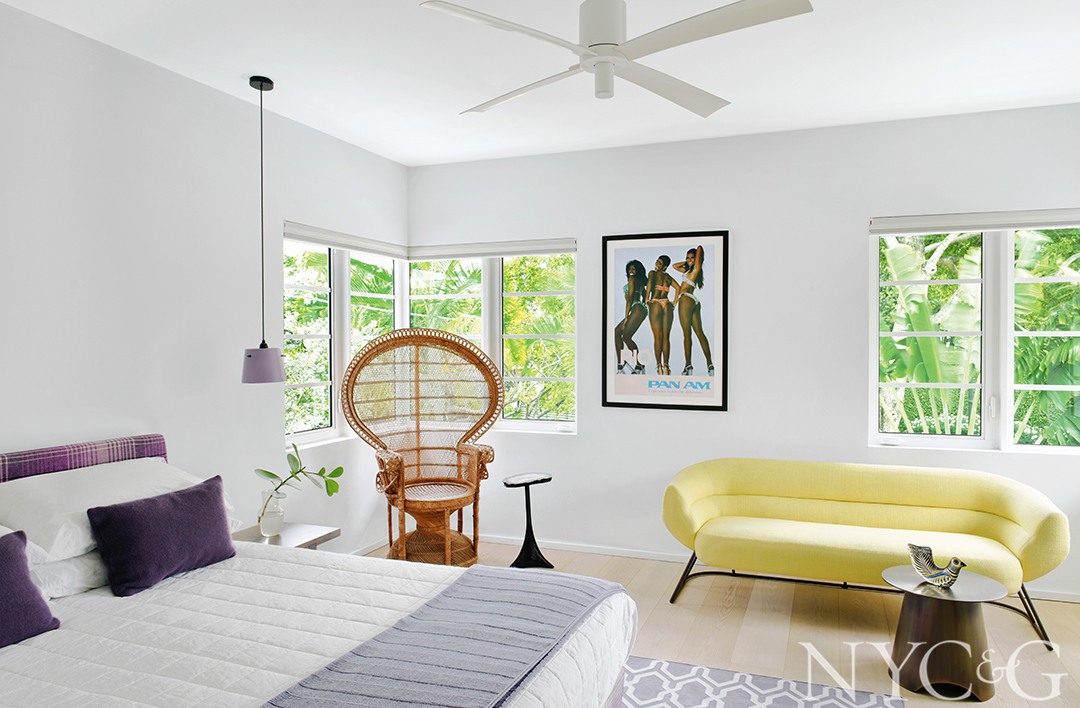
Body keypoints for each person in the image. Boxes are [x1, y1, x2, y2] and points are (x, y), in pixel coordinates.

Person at [672, 245, 713, 376]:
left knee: (687, 334)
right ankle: (710, 365)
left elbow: (700, 247)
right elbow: (674, 266)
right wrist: (688, 263)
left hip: (685, 299)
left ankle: (688, 365)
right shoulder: (690, 271)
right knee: (700, 333)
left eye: (692, 257)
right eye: (687, 257)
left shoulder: (696, 269)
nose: (689, 259)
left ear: (697, 259)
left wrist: (696, 260)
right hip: (694, 301)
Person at [614, 259, 648, 374]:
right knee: (617, 332)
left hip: (636, 308)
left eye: (634, 269)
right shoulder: (639, 282)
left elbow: (629, 300)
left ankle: (639, 364)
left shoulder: (633, 279)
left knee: (626, 337)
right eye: (629, 269)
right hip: (638, 308)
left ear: (638, 271)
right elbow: (644, 296)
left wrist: (626, 318)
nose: (631, 271)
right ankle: (621, 363)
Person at [646, 255, 676, 375]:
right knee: (666, 337)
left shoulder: (652, 273)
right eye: (657, 261)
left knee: (657, 337)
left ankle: (659, 367)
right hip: (667, 304)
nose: (656, 264)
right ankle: (666, 367)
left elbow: (649, 284)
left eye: (659, 263)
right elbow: (678, 288)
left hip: (656, 302)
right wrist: (674, 302)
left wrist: (647, 298)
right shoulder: (668, 277)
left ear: (665, 266)